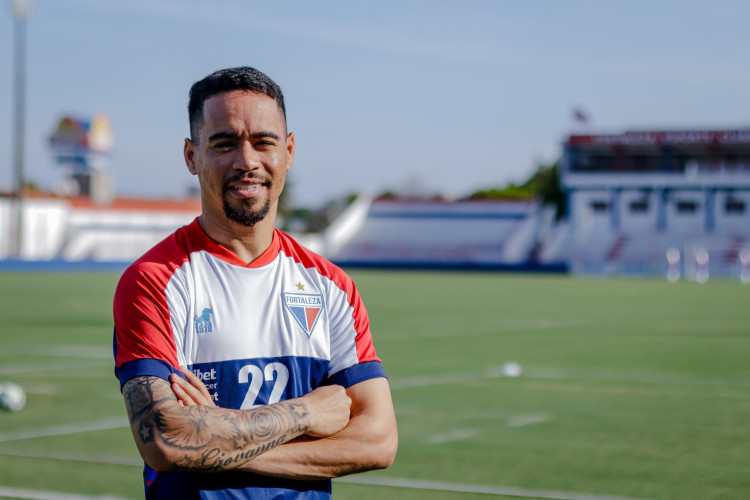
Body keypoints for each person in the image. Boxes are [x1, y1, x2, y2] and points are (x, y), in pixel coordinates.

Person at [113, 66, 398, 499]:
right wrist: (304, 414)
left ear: (289, 151)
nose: (247, 162)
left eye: (263, 142)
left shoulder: (332, 287)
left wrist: (212, 436)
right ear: (192, 156)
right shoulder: (153, 281)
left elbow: (378, 441)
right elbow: (166, 439)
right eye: (224, 143)